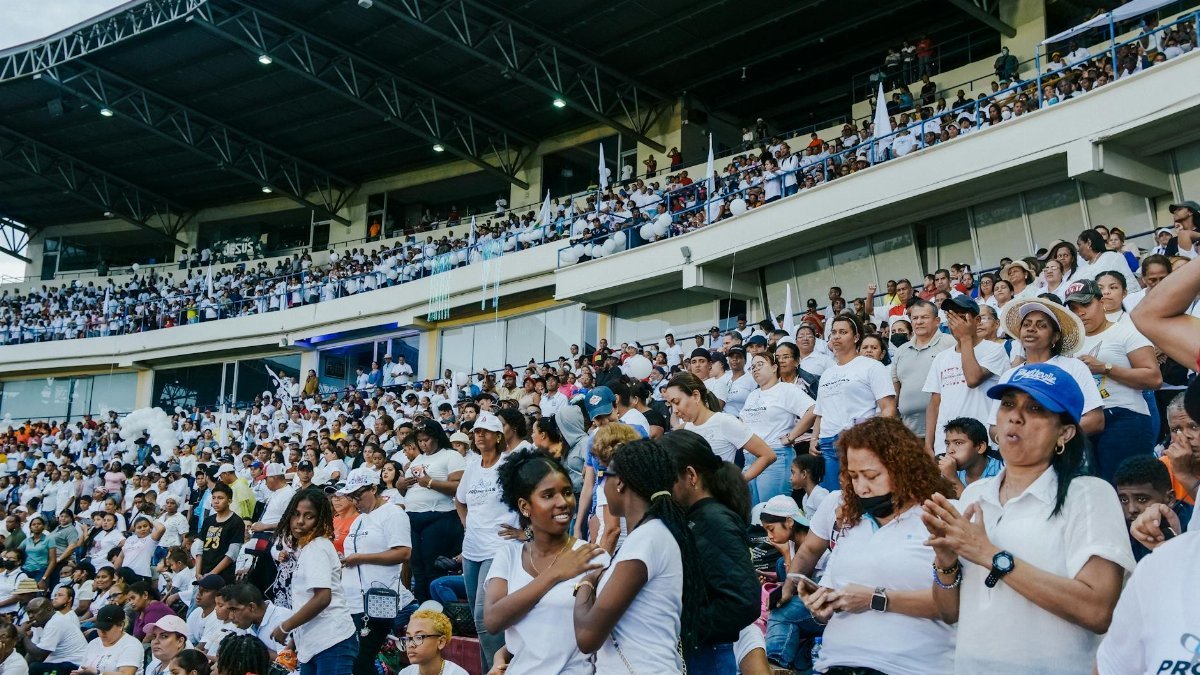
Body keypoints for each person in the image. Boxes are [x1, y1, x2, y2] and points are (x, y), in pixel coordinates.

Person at [922, 362, 1134, 674]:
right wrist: (946, 560)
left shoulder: (1089, 494)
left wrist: (988, 554)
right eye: (1008, 404)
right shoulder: (974, 494)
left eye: (1035, 408)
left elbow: (1097, 609)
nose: (1015, 416)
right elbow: (949, 612)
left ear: (1064, 433)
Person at [796, 417, 954, 675]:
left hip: (907, 667)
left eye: (871, 476)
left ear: (903, 468)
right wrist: (821, 606)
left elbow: (952, 606)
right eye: (853, 477)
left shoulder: (940, 518)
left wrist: (875, 599)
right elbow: (835, 597)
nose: (862, 488)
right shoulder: (852, 524)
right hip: (834, 662)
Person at [573, 439, 703, 675]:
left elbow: (587, 638)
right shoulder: (649, 535)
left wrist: (587, 580)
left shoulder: (646, 540)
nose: (601, 485)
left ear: (620, 482)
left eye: (604, 476)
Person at [485, 449, 609, 674]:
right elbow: (493, 620)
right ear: (524, 506)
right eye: (548, 495)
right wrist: (554, 574)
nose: (563, 502)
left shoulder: (592, 556)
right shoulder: (508, 556)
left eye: (568, 492)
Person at [662, 431, 760, 674]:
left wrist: (686, 626)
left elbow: (743, 602)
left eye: (666, 480)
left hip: (710, 654)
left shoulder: (713, 521)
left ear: (691, 475)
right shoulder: (698, 517)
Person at [1064, 279, 1161, 481]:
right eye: (1074, 308)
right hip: (1087, 421)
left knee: (1126, 489)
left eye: (1086, 304)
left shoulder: (1125, 331)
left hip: (1125, 416)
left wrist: (1105, 368)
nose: (1080, 312)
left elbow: (1153, 377)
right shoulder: (1070, 344)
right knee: (1100, 491)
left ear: (1101, 302)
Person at [270, 487, 359, 673]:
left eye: (308, 516)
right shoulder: (307, 548)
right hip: (313, 644)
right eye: (296, 514)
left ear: (320, 520)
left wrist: (285, 627)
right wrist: (295, 640)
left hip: (332, 641)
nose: (300, 521)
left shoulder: (317, 547)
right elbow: (307, 600)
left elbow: (323, 598)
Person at [453, 411, 515, 671]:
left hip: (499, 547)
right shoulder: (471, 467)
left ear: (498, 436)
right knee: (481, 621)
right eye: (477, 431)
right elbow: (460, 500)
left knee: (483, 616)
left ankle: (499, 670)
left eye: (485, 431)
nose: (479, 435)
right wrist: (468, 525)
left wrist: (525, 531)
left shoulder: (509, 465)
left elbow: (528, 501)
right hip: (471, 550)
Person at [337, 471, 415, 675]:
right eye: (351, 497)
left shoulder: (393, 513)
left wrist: (360, 558)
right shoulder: (359, 519)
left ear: (373, 488)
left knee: (363, 659)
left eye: (358, 495)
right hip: (352, 599)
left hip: (379, 598)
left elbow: (403, 552)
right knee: (356, 659)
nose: (354, 501)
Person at [992, 297, 1105, 437]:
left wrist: (1045, 438)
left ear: (1055, 337)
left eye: (1041, 325)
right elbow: (994, 428)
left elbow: (1095, 420)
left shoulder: (1073, 367)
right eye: (1026, 324)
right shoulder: (1009, 375)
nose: (1031, 329)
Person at [812, 315, 898, 490]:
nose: (836, 336)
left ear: (856, 337)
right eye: (833, 332)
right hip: (828, 445)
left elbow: (888, 408)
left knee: (862, 495)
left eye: (843, 332)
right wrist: (814, 438)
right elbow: (820, 412)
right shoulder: (827, 373)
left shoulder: (871, 366)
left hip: (859, 441)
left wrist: (871, 438)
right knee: (836, 499)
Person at [665, 373, 776, 503]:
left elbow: (767, 455)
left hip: (721, 503)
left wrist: (735, 482)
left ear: (695, 396)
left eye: (677, 402)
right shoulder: (686, 428)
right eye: (671, 404)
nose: (675, 410)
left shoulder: (724, 422)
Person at [923, 296, 1011, 455]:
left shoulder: (994, 350)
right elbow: (935, 404)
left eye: (962, 318)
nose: (956, 324)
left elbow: (973, 379)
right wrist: (929, 444)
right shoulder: (941, 358)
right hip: (946, 447)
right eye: (951, 318)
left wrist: (965, 338)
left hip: (982, 445)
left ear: (977, 321)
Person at [740, 352, 816, 502]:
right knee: (753, 513)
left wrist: (791, 436)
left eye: (760, 364)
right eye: (752, 367)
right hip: (750, 459)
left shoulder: (786, 389)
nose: (755, 369)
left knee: (771, 512)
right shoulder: (752, 395)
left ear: (774, 367)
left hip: (775, 456)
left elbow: (813, 409)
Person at [404, 420, 467, 602]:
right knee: (418, 567)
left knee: (433, 567)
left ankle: (439, 611)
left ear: (437, 438)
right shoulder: (418, 459)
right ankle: (423, 610)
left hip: (439, 516)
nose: (424, 444)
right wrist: (401, 484)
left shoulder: (451, 455)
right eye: (420, 441)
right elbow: (409, 486)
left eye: (427, 440)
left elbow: (458, 486)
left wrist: (430, 483)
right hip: (413, 516)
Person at [1113, 454, 1192, 561]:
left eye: (1142, 499)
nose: (1131, 509)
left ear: (1170, 498)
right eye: (1124, 500)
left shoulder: (1192, 525)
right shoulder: (1118, 528)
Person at [21, 589, 88, 674]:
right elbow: (32, 653)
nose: (30, 616)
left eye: (34, 612)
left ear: (48, 610)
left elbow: (39, 656)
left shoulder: (55, 623)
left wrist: (24, 636)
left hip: (75, 666)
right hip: (61, 663)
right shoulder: (41, 622)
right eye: (29, 613)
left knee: (35, 667)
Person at [936, 417, 1002, 497]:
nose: (950, 450)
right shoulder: (947, 470)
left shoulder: (1001, 470)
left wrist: (953, 479)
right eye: (948, 444)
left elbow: (975, 508)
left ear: (980, 447)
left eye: (958, 443)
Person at [194, 482, 244, 585]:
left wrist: (212, 574)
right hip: (203, 573)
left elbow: (231, 554)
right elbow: (200, 548)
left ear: (229, 501)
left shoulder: (236, 522)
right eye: (214, 498)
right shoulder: (208, 520)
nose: (216, 501)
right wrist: (198, 572)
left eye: (220, 498)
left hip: (223, 577)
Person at [398, 606, 470, 675]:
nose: (410, 645)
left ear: (441, 642)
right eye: (407, 638)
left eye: (418, 637)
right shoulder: (405, 672)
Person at [76, 604, 143, 675]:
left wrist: (98, 673)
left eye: (107, 628)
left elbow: (126, 673)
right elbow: (82, 668)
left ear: (121, 625)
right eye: (99, 628)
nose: (102, 632)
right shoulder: (94, 643)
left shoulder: (132, 645)